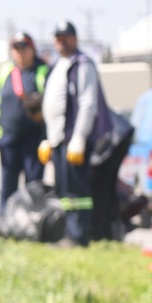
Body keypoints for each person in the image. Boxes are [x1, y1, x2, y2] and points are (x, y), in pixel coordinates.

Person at [40, 20, 125, 246]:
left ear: (74, 39)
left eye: (65, 37)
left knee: (77, 192)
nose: (61, 42)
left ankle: (79, 235)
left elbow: (88, 103)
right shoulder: (58, 66)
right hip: (58, 138)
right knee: (63, 189)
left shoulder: (83, 65)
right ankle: (66, 231)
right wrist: (48, 138)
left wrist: (79, 136)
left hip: (74, 140)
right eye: (57, 38)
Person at [0, 31, 49, 214]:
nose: (20, 53)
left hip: (34, 140)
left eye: (24, 48)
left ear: (32, 49)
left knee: (34, 187)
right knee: (7, 186)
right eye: (16, 49)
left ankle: (33, 222)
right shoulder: (6, 71)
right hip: (8, 138)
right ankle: (5, 222)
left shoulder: (43, 71)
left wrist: (47, 139)